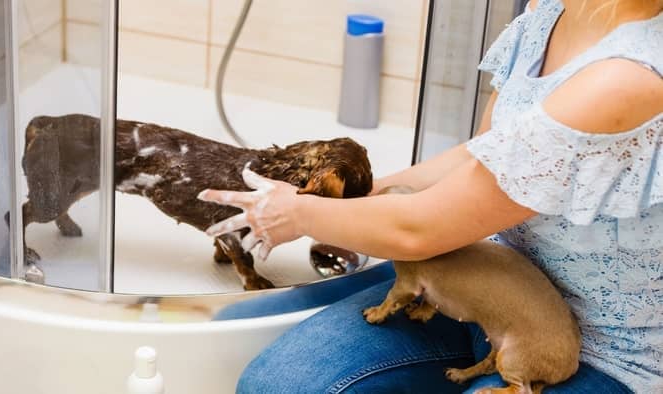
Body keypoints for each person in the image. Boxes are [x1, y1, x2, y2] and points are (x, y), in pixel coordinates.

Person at [198, 0, 663, 392]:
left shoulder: (631, 74)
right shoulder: (555, 7)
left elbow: (418, 229)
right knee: (276, 386)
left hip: (595, 351)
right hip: (489, 276)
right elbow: (486, 155)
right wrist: (369, 191)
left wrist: (296, 213)